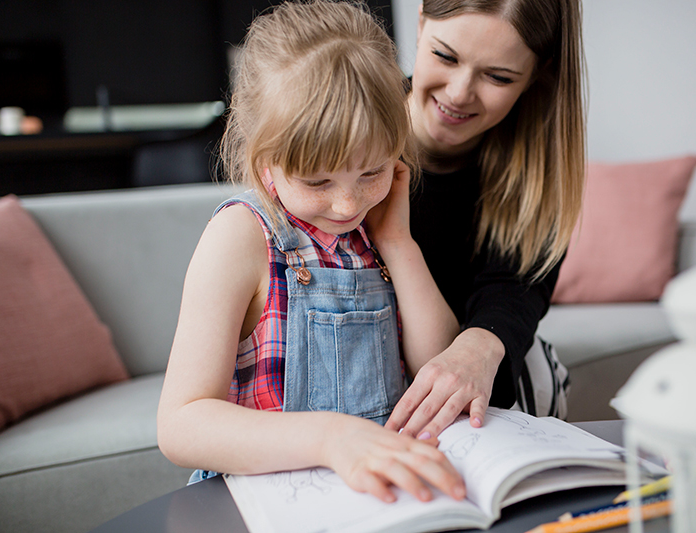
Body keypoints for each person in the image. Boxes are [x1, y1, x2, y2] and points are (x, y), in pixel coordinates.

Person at [157, 0, 467, 504]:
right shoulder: (243, 236)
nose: (348, 204)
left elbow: (438, 364)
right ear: (265, 164)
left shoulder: (377, 229)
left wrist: (398, 244)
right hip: (267, 501)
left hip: (372, 496)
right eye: (318, 180)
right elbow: (181, 423)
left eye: (372, 172)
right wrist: (330, 438)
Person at [385, 0, 585, 440]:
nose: (458, 93)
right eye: (445, 55)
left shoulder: (537, 170)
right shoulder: (350, 130)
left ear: (538, 74)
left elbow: (515, 291)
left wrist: (479, 346)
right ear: (420, 25)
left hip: (474, 346)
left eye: (498, 77)